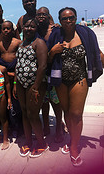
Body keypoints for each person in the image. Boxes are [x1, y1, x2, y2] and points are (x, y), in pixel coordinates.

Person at [47, 7, 103, 167]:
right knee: (67, 113)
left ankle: (74, 147)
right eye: (65, 19)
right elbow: (48, 61)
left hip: (79, 78)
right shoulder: (55, 35)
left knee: (76, 114)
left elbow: (97, 53)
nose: (69, 21)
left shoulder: (86, 33)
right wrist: (53, 51)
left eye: (71, 17)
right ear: (60, 20)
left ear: (76, 17)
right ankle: (73, 139)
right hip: (61, 80)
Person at [14, 18, 49, 158]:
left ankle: (41, 144)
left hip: (35, 85)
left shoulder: (39, 43)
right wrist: (16, 84)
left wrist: (35, 87)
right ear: (22, 28)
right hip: (22, 84)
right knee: (24, 112)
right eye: (26, 26)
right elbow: (18, 65)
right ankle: (28, 142)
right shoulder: (22, 44)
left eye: (32, 26)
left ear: (36, 29)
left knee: (33, 114)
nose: (28, 29)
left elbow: (43, 66)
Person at [36, 7, 64, 143]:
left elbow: (60, 50)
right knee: (43, 102)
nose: (41, 17)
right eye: (39, 15)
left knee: (56, 102)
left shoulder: (56, 30)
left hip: (54, 72)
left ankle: (59, 127)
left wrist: (51, 54)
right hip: (41, 73)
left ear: (48, 16)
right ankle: (46, 126)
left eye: (44, 14)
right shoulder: (35, 32)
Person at [0, 21, 23, 136]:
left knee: (18, 104)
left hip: (16, 79)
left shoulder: (18, 43)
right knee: (5, 104)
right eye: (4, 29)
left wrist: (14, 77)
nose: (6, 31)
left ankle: (21, 128)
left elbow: (21, 62)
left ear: (13, 30)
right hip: (3, 81)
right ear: (1, 31)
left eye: (8, 29)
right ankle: (8, 127)